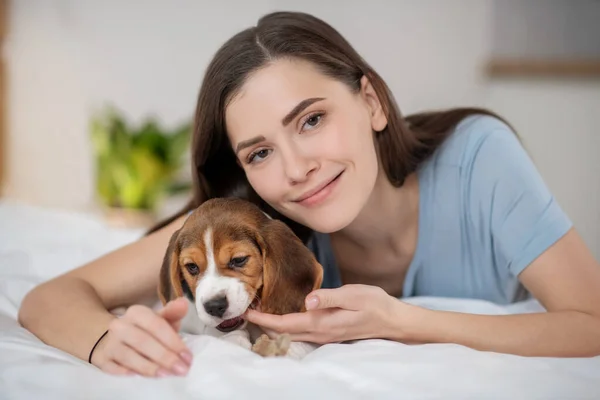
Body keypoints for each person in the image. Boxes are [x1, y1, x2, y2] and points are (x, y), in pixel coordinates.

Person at [18, 11, 600, 378]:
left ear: (370, 102)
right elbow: (51, 298)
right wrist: (104, 341)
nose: (297, 169)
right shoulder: (254, 216)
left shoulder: (480, 158)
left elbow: (591, 322)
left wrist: (402, 322)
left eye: (312, 120)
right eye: (260, 151)